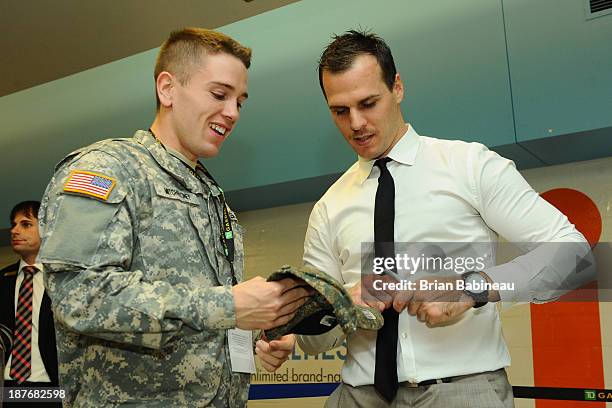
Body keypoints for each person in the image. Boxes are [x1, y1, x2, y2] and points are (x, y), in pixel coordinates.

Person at [263, 30, 591, 407]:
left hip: (463, 391)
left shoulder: (469, 166)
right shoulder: (328, 207)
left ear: (397, 87)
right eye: (340, 111)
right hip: (358, 395)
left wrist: (471, 288)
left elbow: (575, 256)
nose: (356, 124)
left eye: (368, 103)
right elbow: (317, 341)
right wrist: (305, 322)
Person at [37, 28, 308, 407]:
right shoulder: (108, 170)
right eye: (219, 94)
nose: (232, 113)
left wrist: (257, 333)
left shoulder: (212, 198)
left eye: (240, 102)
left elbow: (205, 317)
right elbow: (80, 296)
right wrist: (228, 306)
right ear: (167, 89)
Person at [1, 201, 61, 408]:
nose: (15, 231)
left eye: (26, 224)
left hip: (50, 387)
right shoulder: (3, 279)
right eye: (13, 225)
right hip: (8, 388)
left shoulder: (64, 280)